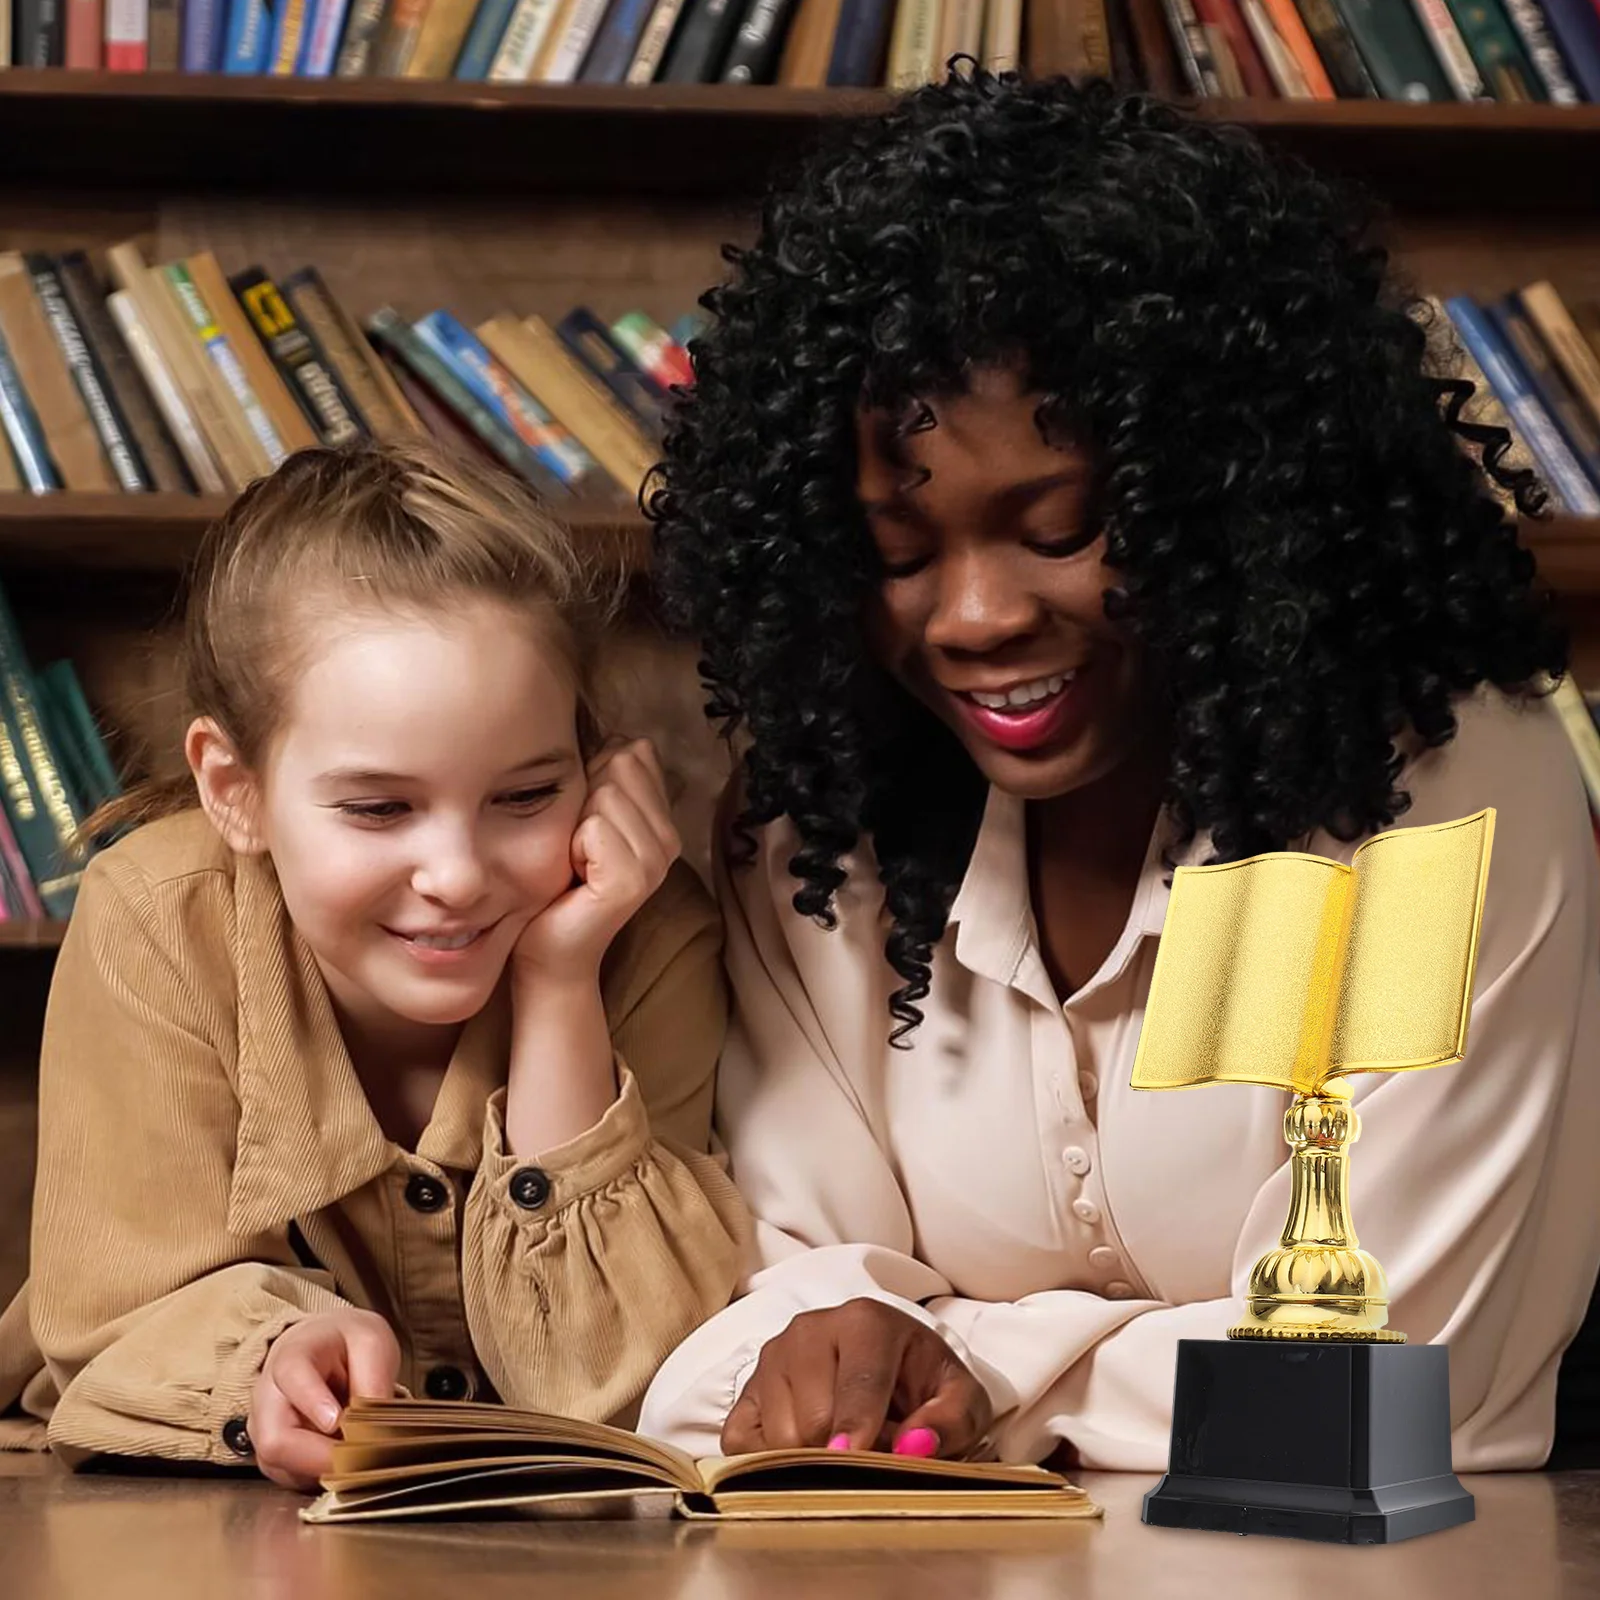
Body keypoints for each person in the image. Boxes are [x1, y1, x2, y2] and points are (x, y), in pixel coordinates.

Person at [636, 69, 1600, 1472]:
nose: (973, 618)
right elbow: (736, 1342)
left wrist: (961, 1362)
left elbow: (1393, 1395)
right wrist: (834, 1346)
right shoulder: (822, 826)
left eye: (1063, 526)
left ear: (1224, 497)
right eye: (899, 556)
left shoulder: (1421, 801)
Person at [0, 441, 747, 1489]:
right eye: (379, 808)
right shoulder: (154, 915)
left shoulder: (646, 928)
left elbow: (619, 1388)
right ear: (234, 787)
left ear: (593, 768)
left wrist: (560, 983)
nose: (456, 873)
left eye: (527, 795)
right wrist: (265, 1361)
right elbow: (113, 1307)